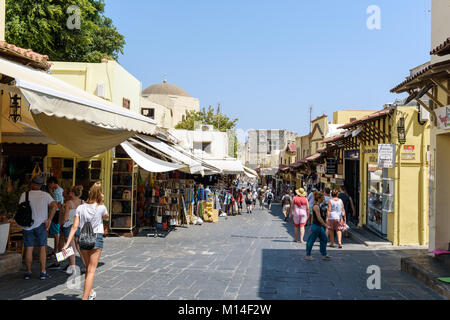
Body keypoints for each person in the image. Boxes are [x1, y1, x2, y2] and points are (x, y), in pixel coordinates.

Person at [63, 182, 109, 300]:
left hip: (83, 239)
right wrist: (101, 201)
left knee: (88, 268)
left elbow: (74, 227)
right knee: (91, 270)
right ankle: (85, 297)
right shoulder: (101, 207)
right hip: (96, 238)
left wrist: (67, 244)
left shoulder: (80, 207)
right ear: (99, 195)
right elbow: (106, 216)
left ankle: (90, 292)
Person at [20, 174, 58, 280]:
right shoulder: (45, 195)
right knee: (42, 248)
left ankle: (28, 272)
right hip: (41, 225)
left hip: (27, 225)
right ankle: (42, 272)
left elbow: (20, 208)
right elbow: (55, 205)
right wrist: (49, 219)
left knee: (29, 248)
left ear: (32, 184)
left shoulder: (25, 194)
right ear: (41, 185)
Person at [62, 185, 86, 275]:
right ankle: (85, 265)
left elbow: (65, 217)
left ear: (72, 193)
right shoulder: (82, 202)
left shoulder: (68, 203)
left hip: (69, 226)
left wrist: (62, 209)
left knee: (70, 248)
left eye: (70, 192)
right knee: (79, 247)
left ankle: (73, 268)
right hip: (79, 226)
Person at [306, 191, 331, 261]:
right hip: (317, 226)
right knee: (311, 241)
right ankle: (308, 255)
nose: (323, 199)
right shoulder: (316, 206)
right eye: (322, 198)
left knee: (324, 239)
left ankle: (324, 254)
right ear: (319, 198)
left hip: (318, 226)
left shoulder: (318, 205)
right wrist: (325, 225)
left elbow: (313, 217)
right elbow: (318, 217)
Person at [47, 177, 64, 270]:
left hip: (58, 217)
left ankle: (59, 260)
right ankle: (66, 262)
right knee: (71, 245)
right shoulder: (75, 203)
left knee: (66, 243)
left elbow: (57, 205)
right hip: (64, 223)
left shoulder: (58, 192)